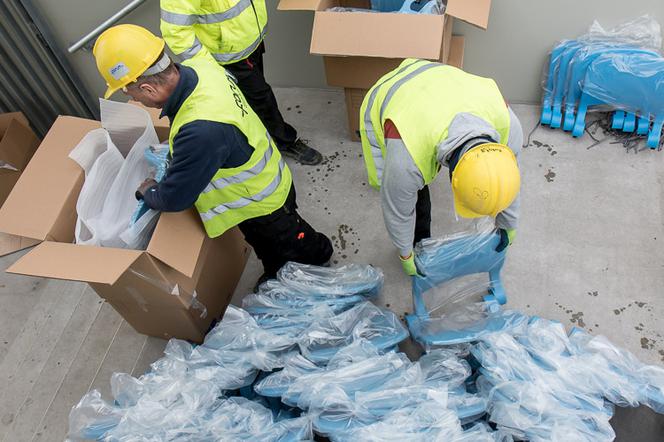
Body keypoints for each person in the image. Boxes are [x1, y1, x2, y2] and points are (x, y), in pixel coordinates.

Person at [93, 24, 333, 288]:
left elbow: (174, 197)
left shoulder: (200, 130)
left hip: (260, 203)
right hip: (266, 179)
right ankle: (288, 260)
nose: (137, 101)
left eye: (133, 93)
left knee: (288, 245)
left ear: (149, 88)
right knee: (277, 239)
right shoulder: (202, 67)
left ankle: (315, 259)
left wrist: (149, 191)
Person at [359, 58, 523, 277]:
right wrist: (405, 254)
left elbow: (507, 181)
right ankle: (419, 242)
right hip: (390, 94)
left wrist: (508, 224)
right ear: (453, 180)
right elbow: (397, 211)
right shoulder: (407, 156)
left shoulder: (509, 127)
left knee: (408, 182)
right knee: (400, 188)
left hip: (442, 82)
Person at [159, 0, 323, 165]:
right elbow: (175, 31)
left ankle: (262, 136)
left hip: (250, 42)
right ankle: (285, 141)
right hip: (229, 57)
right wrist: (208, 66)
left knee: (252, 99)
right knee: (262, 99)